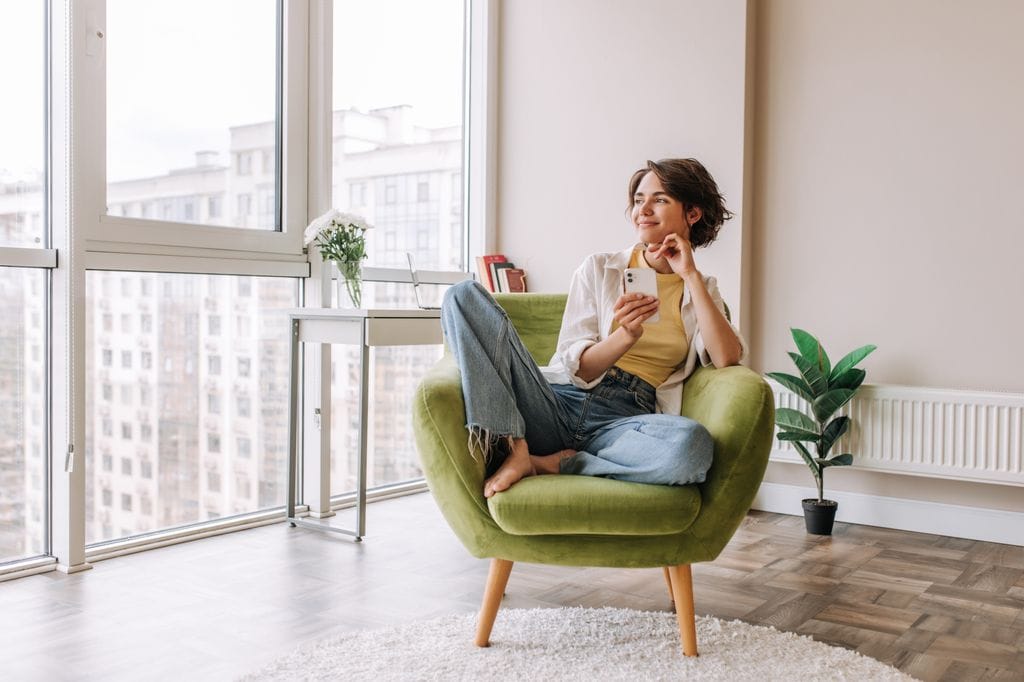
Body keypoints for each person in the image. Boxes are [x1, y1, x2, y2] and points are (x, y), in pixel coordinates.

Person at [440, 158, 745, 498]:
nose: (643, 209)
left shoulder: (702, 288)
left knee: (693, 447)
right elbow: (578, 368)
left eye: (659, 199)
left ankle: (554, 464)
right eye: (639, 199)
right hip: (555, 405)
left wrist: (690, 274)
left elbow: (727, 358)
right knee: (462, 295)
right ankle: (514, 446)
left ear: (692, 214)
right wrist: (624, 337)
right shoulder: (599, 268)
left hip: (625, 423)